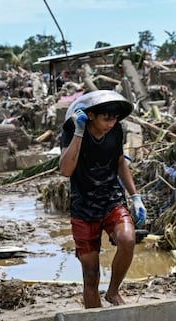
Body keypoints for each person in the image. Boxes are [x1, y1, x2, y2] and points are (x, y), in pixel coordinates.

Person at [59, 90, 145, 308]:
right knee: (90, 274)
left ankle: (113, 291)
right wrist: (79, 133)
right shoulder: (71, 130)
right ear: (91, 116)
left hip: (111, 198)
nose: (111, 123)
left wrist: (135, 196)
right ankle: (95, 320)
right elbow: (66, 170)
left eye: (114, 118)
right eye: (106, 118)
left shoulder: (116, 131)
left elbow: (119, 163)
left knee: (127, 239)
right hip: (83, 205)